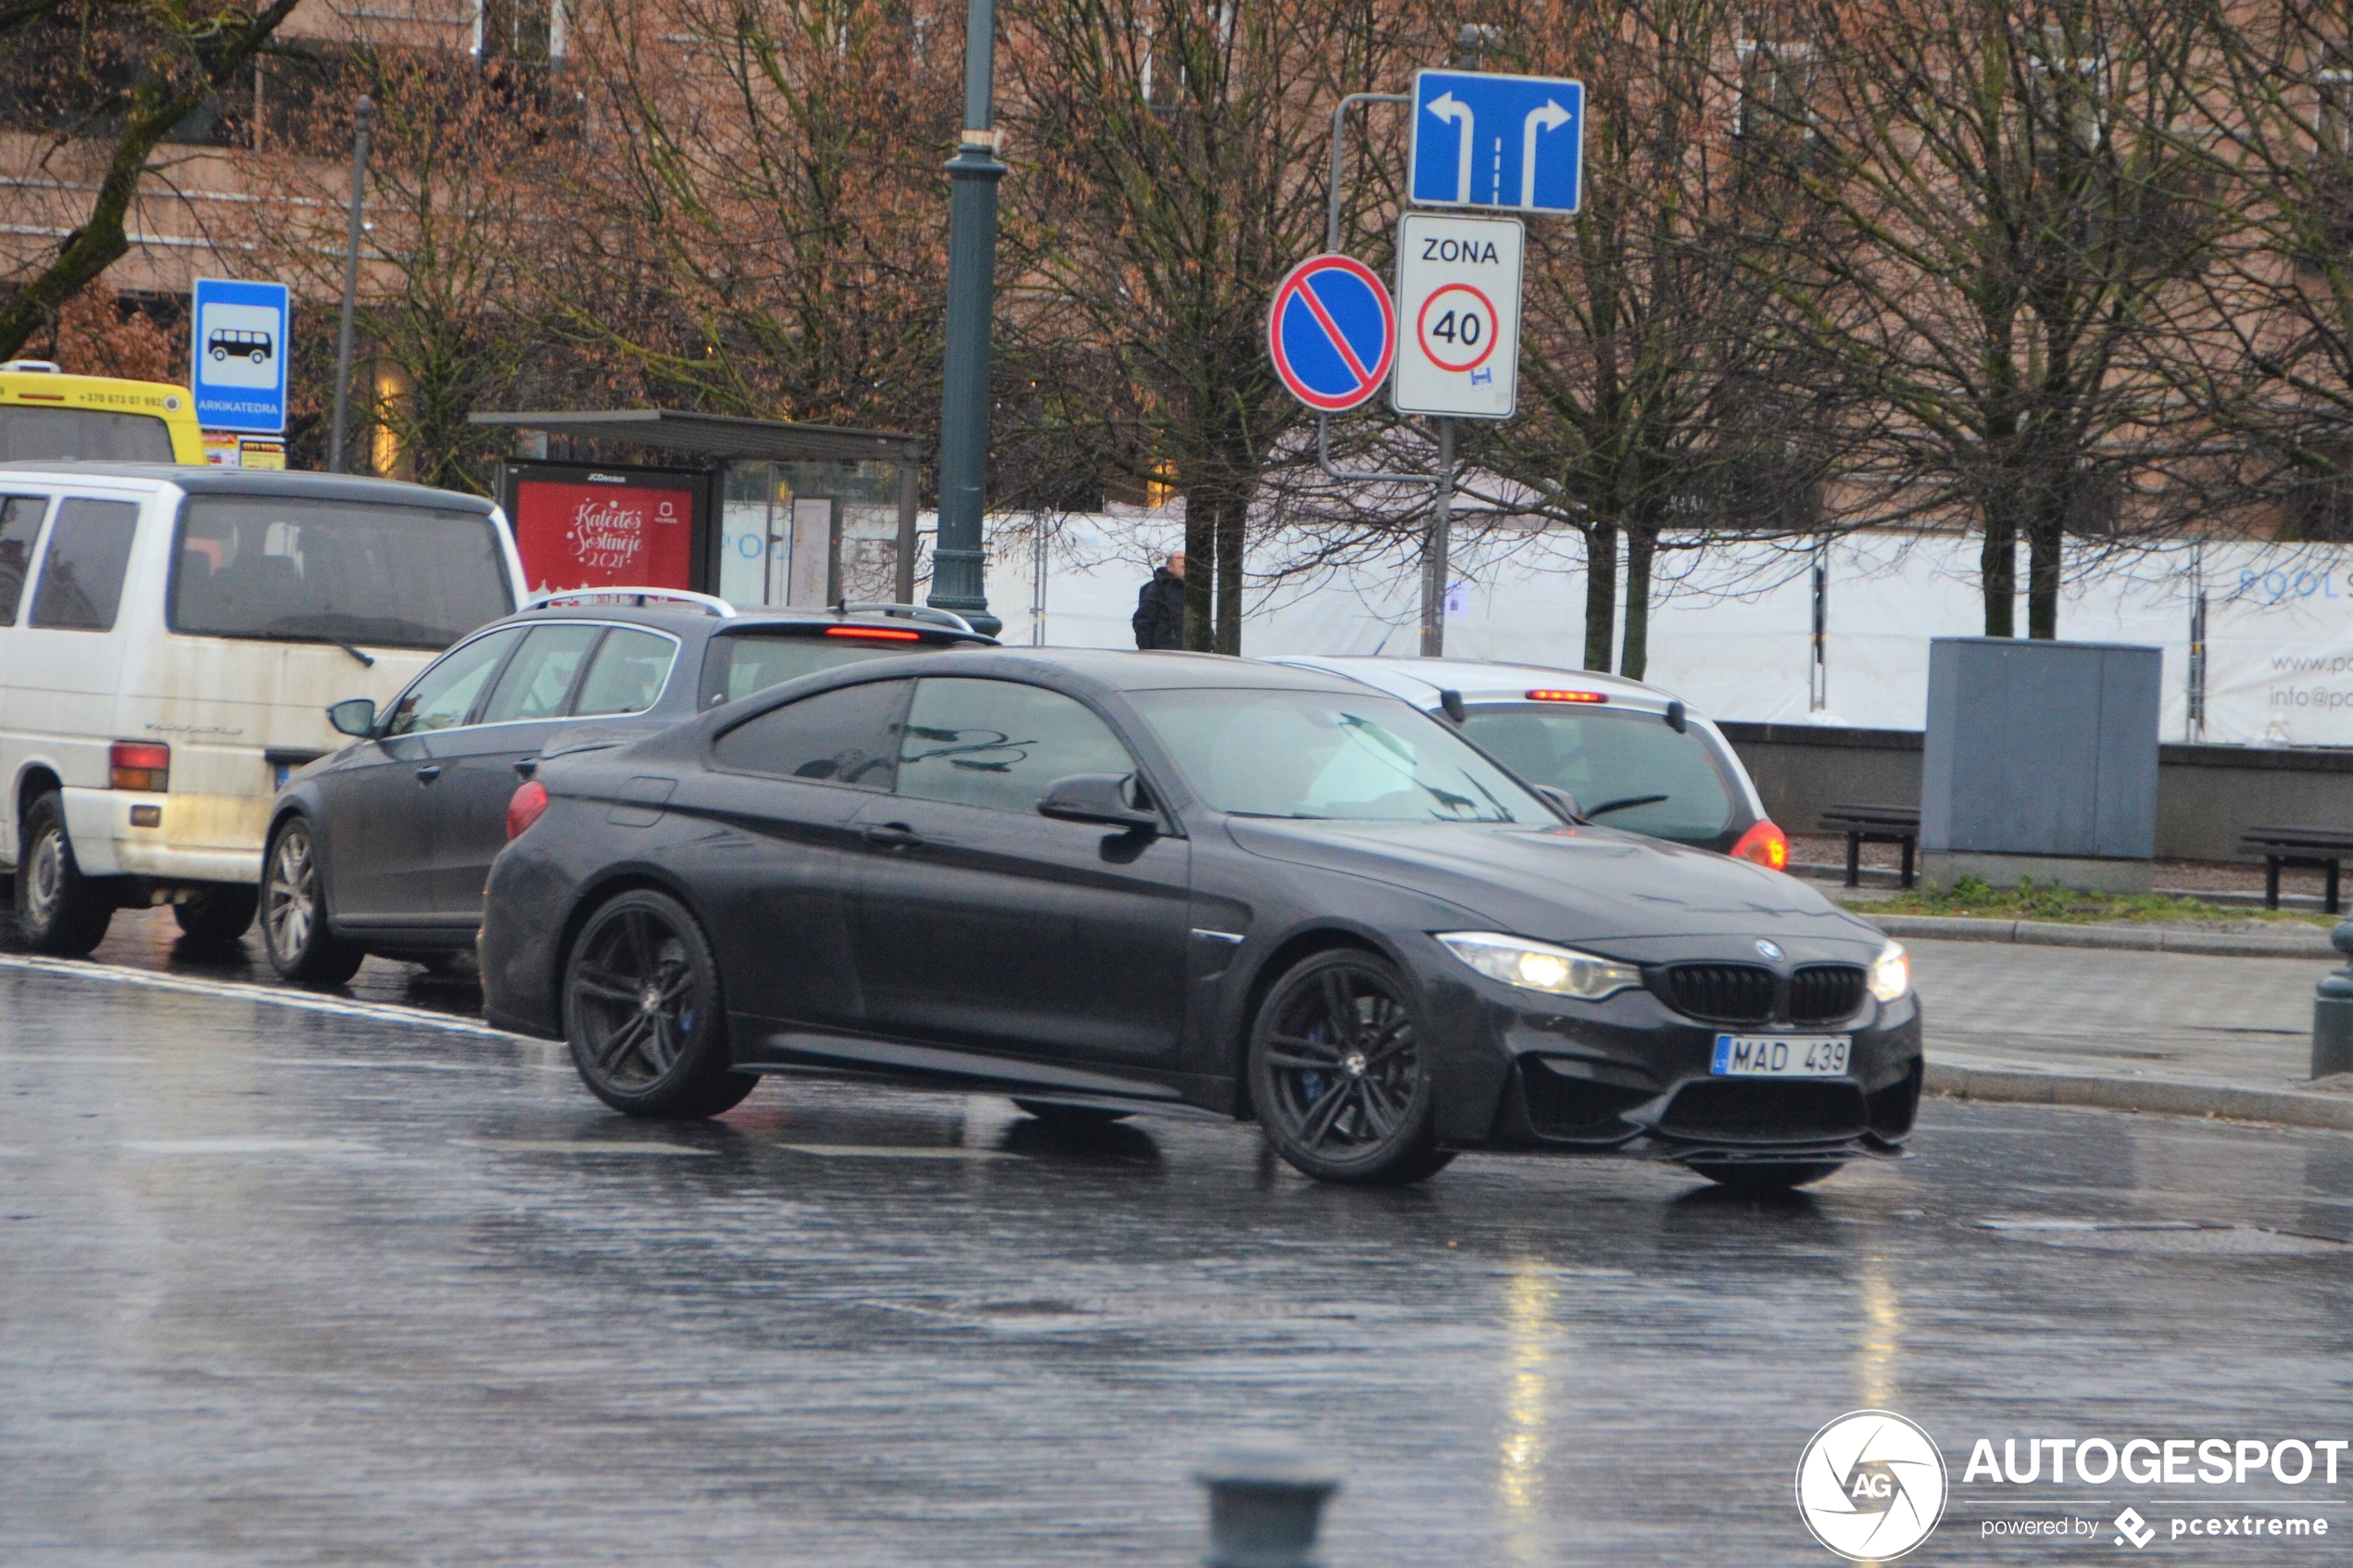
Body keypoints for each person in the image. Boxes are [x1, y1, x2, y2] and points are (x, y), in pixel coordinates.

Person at [1132, 550, 1186, 650]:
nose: (1186, 571)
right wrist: (1146, 649)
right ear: (1170, 568)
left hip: (1188, 653)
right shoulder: (1155, 589)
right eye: (1182, 568)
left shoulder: (1191, 592)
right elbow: (1143, 621)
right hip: (1161, 652)